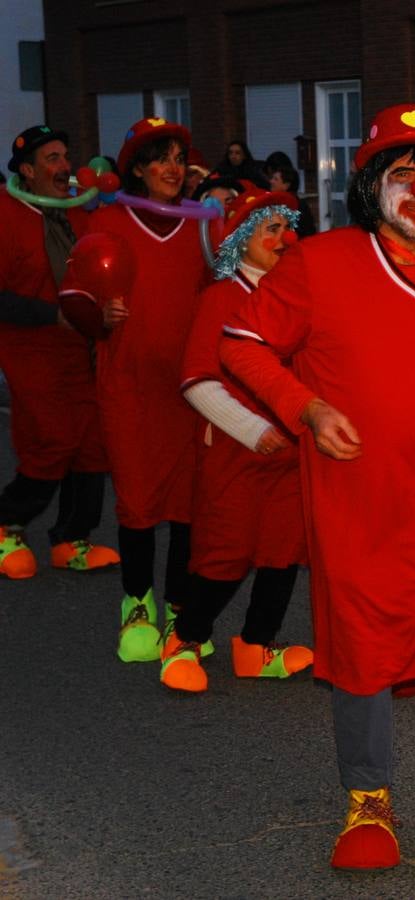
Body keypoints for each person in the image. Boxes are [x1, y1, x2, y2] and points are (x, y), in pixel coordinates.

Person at [219, 103, 415, 892]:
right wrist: (306, 408)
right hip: (358, 504)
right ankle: (368, 802)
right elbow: (241, 345)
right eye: (403, 172)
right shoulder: (321, 263)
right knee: (362, 652)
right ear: (371, 186)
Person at [59, 117, 208, 664]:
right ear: (139, 170)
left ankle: (181, 610)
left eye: (178, 159)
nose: (173, 169)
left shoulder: (202, 227)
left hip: (189, 391)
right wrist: (100, 314)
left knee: (190, 505)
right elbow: (73, 298)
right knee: (139, 505)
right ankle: (137, 604)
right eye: (160, 160)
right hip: (129, 390)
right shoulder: (110, 221)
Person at [158, 184, 313, 693]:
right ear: (242, 239)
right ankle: (184, 637)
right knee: (227, 553)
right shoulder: (221, 297)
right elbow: (197, 380)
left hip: (293, 450)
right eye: (271, 229)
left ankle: (255, 645)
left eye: (289, 228)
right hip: (235, 448)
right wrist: (252, 430)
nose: (285, 238)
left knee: (282, 552)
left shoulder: (300, 298)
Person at [0, 124, 118, 577]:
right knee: (51, 441)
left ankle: (73, 538)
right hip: (30, 350)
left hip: (81, 348)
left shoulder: (77, 213)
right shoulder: (6, 216)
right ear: (26, 171)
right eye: (51, 158)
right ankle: (8, 523)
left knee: (92, 444)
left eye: (65, 156)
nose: (64, 166)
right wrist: (52, 315)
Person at [266, 161, 317, 237]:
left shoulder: (295, 206)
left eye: (276, 179)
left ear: (286, 185)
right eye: (272, 178)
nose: (271, 181)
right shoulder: (276, 202)